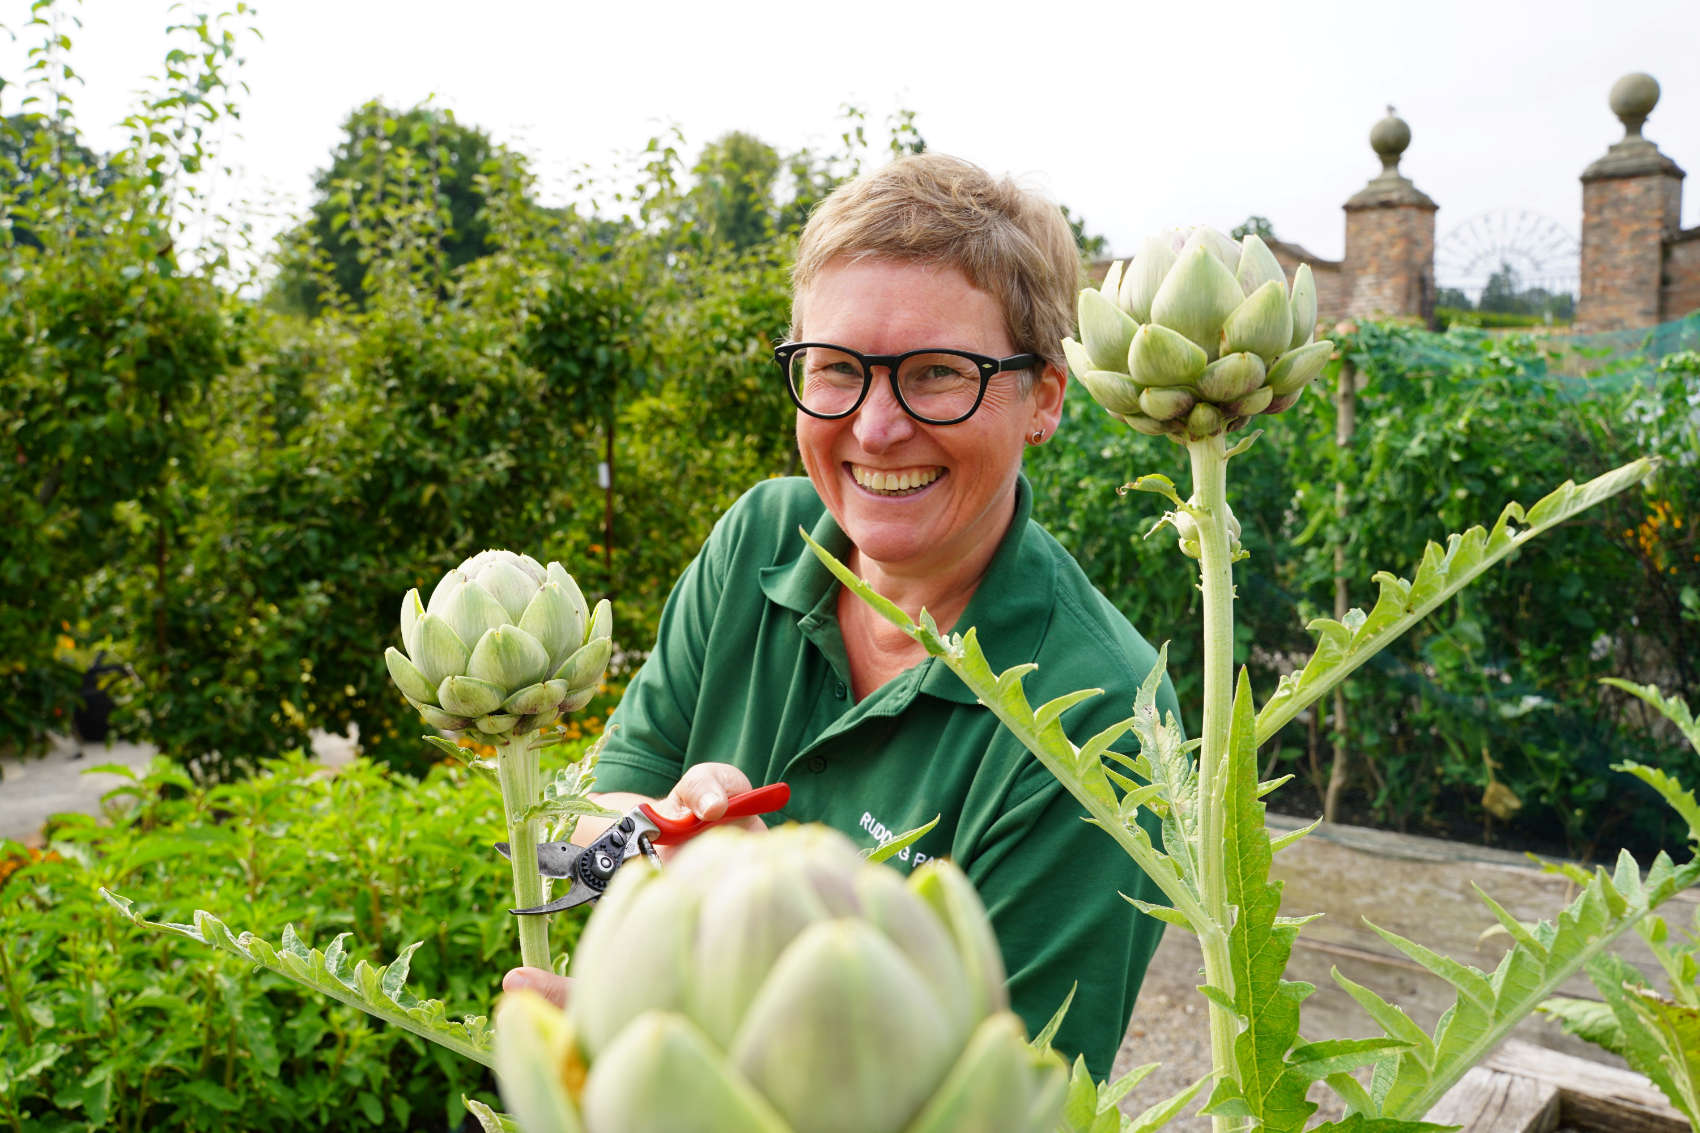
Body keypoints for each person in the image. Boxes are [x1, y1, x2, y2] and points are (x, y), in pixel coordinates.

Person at [505, 152, 1180, 1080]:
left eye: (938, 373)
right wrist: (657, 839)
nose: (873, 427)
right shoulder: (760, 539)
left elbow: (1014, 1102)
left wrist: (680, 1024)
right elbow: (583, 835)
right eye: (835, 369)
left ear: (1045, 398)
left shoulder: (1103, 715)